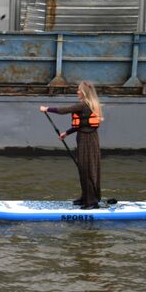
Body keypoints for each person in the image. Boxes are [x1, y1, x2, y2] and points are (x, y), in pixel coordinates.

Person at [40, 81, 104, 210]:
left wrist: (47, 109)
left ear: (84, 92)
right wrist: (67, 133)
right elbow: (82, 124)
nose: (77, 92)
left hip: (87, 140)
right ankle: (85, 197)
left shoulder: (83, 105)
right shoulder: (90, 106)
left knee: (87, 169)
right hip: (88, 138)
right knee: (83, 168)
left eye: (79, 90)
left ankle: (91, 202)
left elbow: (64, 110)